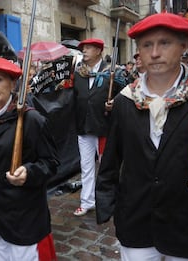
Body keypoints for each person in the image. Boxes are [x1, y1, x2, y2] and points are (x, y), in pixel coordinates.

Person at [95, 13, 188, 260]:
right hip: (136, 224)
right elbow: (111, 161)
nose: (155, 53)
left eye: (165, 43)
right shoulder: (124, 101)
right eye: (147, 45)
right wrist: (109, 207)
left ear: (183, 46)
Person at [0, 56, 59, 261]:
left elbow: (51, 163)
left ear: (12, 84)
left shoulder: (31, 120)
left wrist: (29, 172)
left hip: (22, 220)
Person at [72, 38, 124, 216]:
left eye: (88, 48)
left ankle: (110, 200)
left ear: (99, 51)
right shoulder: (79, 73)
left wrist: (113, 103)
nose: (84, 51)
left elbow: (124, 96)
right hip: (83, 128)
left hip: (104, 128)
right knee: (86, 167)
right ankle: (87, 201)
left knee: (106, 166)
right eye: (83, 48)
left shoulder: (112, 73)